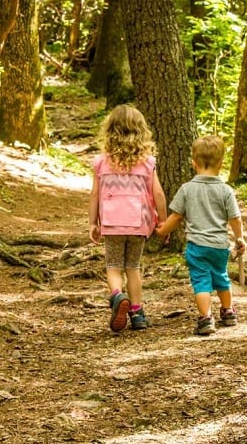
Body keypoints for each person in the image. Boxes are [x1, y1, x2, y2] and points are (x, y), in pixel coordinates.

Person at [154, 135, 245, 335]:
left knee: (201, 281)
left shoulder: (187, 189)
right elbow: (235, 218)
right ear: (221, 163)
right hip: (220, 246)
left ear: (193, 163)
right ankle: (228, 311)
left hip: (197, 246)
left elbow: (176, 217)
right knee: (222, 278)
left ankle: (206, 318)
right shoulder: (226, 190)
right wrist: (239, 238)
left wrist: (161, 231)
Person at [89, 104, 167, 332]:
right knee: (133, 267)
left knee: (113, 265)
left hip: (112, 223)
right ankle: (137, 313)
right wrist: (162, 221)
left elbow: (94, 194)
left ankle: (116, 297)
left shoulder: (101, 162)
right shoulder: (147, 162)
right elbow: (158, 193)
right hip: (139, 221)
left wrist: (93, 223)